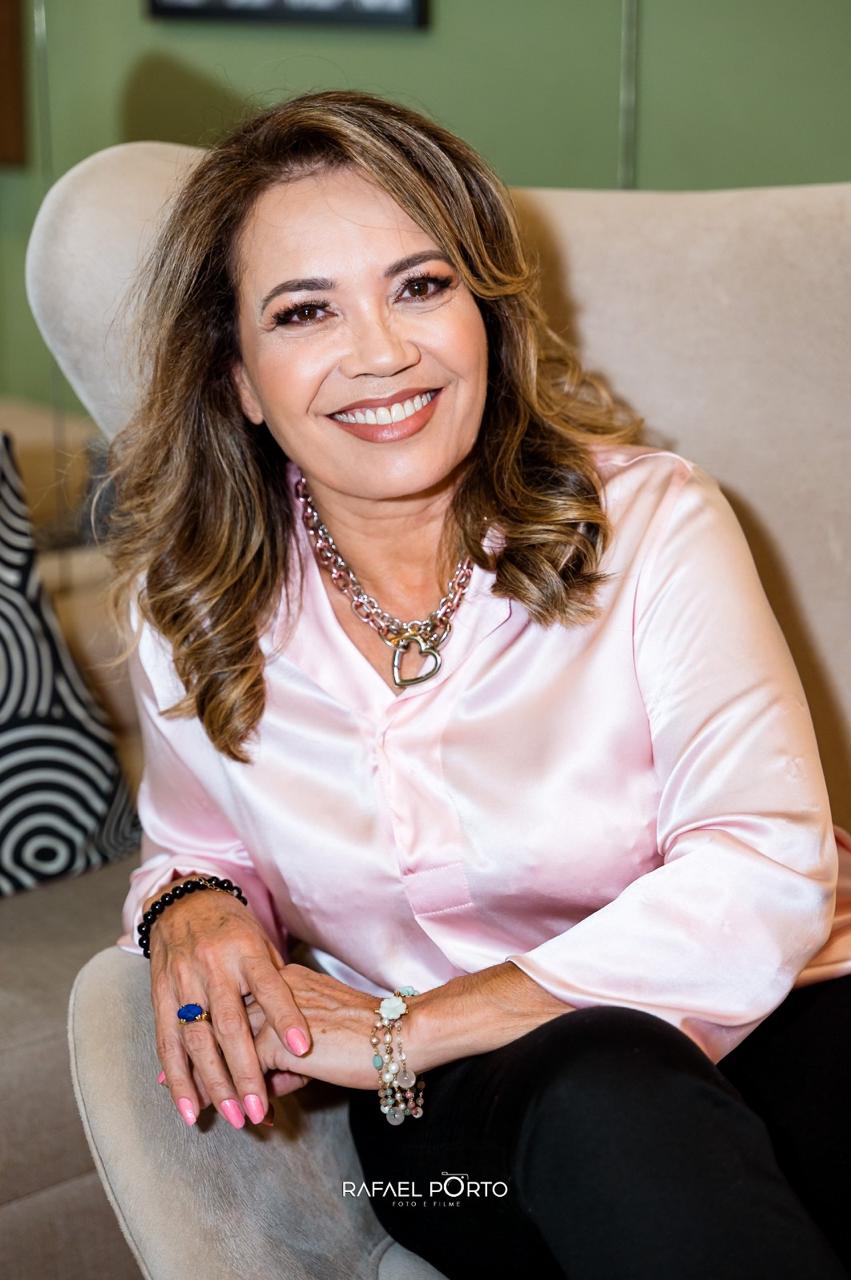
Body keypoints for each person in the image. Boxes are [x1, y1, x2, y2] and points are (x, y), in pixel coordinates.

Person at [107, 89, 851, 1279]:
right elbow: (198, 841)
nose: (381, 351)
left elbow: (762, 863)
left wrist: (405, 1026)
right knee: (606, 1086)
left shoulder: (652, 524)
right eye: (305, 310)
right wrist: (190, 901)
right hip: (457, 1125)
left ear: (487, 317)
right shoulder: (194, 603)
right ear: (238, 376)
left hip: (756, 1015)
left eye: (419, 285)